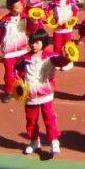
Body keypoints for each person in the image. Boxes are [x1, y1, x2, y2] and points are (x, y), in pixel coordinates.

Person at [16, 28, 73, 156]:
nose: (34, 45)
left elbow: (62, 61)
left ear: (44, 43)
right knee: (31, 120)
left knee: (49, 118)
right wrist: (19, 86)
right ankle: (34, 141)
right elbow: (17, 72)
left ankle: (54, 141)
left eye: (37, 42)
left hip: (46, 95)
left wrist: (67, 57)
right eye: (32, 42)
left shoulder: (50, 57)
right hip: (30, 96)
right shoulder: (24, 58)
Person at [0, 0, 30, 102]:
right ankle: (9, 92)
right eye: (17, 7)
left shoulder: (25, 18)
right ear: (10, 9)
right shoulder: (4, 21)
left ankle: (25, 90)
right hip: (9, 53)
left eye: (20, 5)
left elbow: (33, 30)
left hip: (23, 50)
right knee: (9, 74)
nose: (21, 7)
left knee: (24, 72)